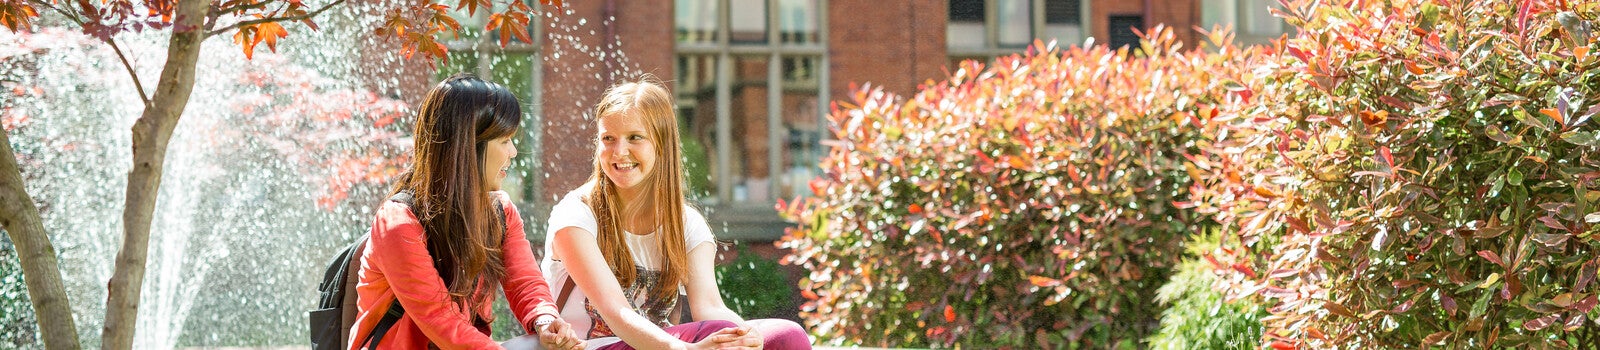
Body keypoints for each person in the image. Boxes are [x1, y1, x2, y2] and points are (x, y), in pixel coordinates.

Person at [542, 77, 812, 350]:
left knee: (787, 335)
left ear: (662, 144)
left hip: (663, 346)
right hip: (592, 347)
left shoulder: (686, 223)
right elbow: (617, 312)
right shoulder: (576, 215)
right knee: (718, 332)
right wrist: (686, 349)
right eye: (608, 139)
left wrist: (747, 336)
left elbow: (709, 307)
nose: (619, 151)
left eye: (635, 137)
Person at [348, 74, 585, 349]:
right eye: (505, 140)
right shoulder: (398, 222)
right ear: (468, 147)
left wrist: (545, 319)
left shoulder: (500, 212)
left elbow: (525, 283)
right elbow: (440, 320)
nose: (513, 151)